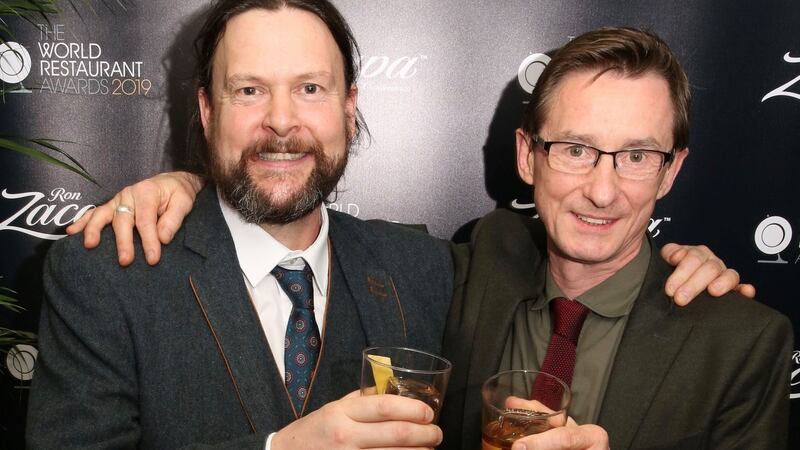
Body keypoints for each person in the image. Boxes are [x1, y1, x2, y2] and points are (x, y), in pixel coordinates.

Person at [52, 12, 751, 450]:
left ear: (350, 108)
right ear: (206, 111)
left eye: (311, 89)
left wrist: (676, 263)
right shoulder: (104, 276)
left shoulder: (424, 266)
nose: (283, 122)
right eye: (249, 90)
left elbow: (602, 251)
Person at [438, 27, 793, 450]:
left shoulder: (740, 344)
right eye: (575, 149)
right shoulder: (468, 272)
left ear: (670, 172)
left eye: (636, 157)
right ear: (526, 157)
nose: (602, 193)